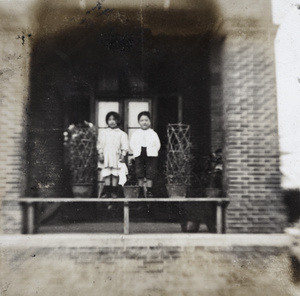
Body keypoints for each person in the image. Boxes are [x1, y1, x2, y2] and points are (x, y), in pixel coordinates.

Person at [97, 111, 128, 198]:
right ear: (107, 121)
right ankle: (107, 191)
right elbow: (100, 144)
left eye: (114, 119)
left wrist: (123, 154)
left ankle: (114, 190)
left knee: (115, 172)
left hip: (116, 155)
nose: (112, 121)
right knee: (107, 172)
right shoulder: (103, 133)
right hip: (106, 155)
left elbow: (124, 145)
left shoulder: (121, 133)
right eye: (109, 119)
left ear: (118, 121)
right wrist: (100, 153)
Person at [130, 111, 161, 198]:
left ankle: (149, 190)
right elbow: (132, 144)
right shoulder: (136, 134)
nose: (144, 122)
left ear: (150, 122)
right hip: (139, 154)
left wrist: (152, 151)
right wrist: (136, 150)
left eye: (146, 120)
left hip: (150, 155)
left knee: (149, 173)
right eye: (142, 120)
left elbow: (157, 145)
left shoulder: (153, 133)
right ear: (139, 122)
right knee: (140, 172)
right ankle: (140, 191)